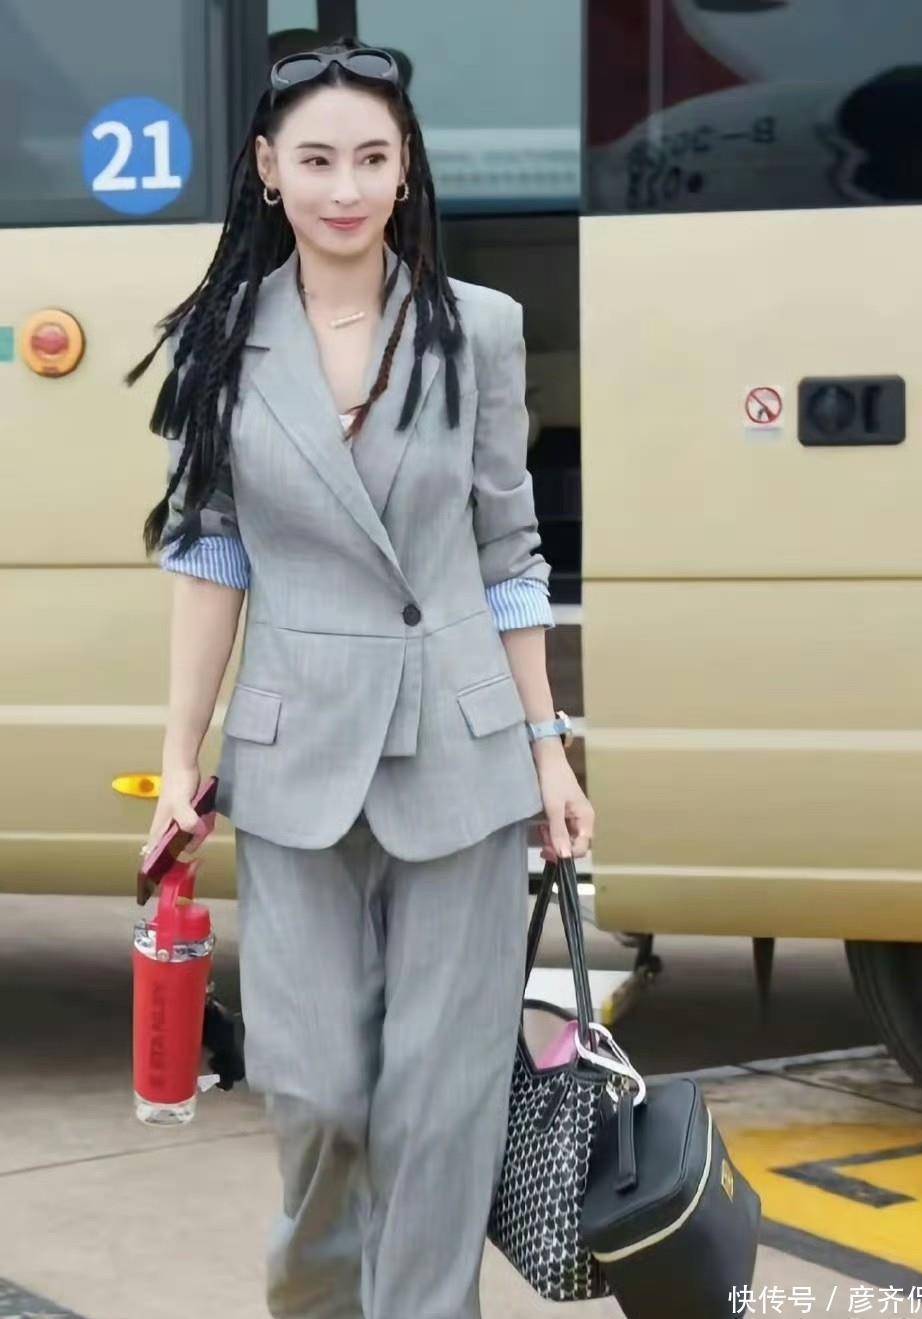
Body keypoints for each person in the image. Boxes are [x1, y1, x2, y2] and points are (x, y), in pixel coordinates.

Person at [127, 37, 595, 1319]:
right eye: (319, 159)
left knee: (444, 1105)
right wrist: (179, 758)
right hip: (294, 755)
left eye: (373, 159)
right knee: (322, 1091)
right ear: (268, 169)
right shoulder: (221, 337)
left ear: (405, 170)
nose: (347, 186)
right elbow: (209, 554)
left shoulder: (478, 329)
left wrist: (549, 748)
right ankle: (320, 1300)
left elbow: (508, 551)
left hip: (465, 751)